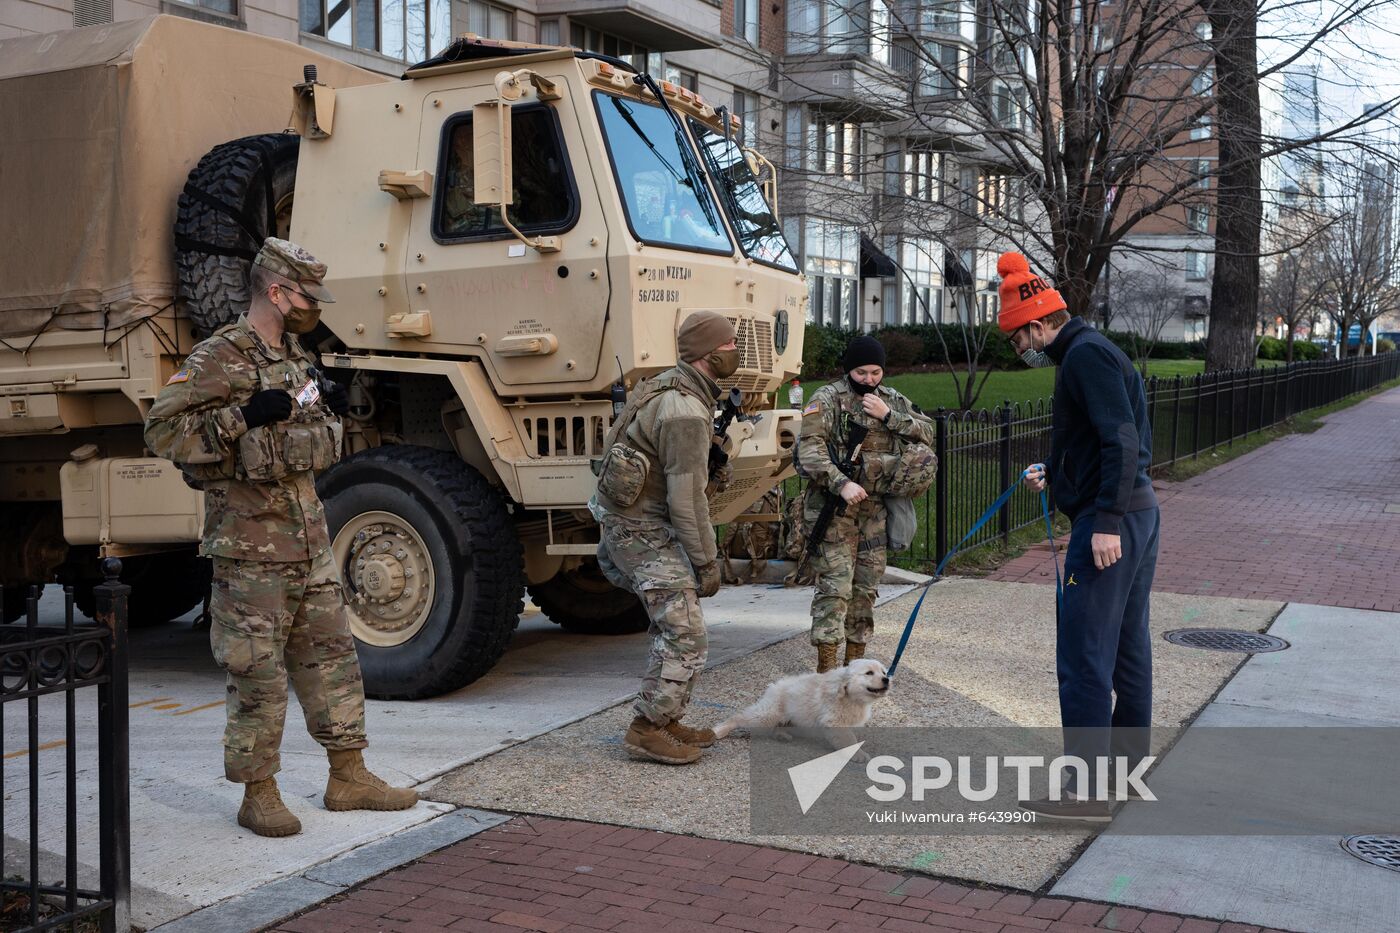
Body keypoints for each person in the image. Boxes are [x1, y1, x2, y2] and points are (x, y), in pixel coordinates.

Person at [144, 237, 417, 837]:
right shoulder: (220, 356)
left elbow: (295, 406)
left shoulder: (292, 353)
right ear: (275, 291)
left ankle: (348, 775)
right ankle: (258, 793)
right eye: (304, 295)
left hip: (308, 538)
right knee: (257, 672)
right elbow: (162, 432)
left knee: (333, 661)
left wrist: (325, 397)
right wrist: (243, 417)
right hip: (249, 549)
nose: (311, 306)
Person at [997, 252, 1161, 822]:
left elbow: (1121, 440)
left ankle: (1088, 793)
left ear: (1040, 323)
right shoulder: (1093, 350)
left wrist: (1105, 523)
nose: (1019, 347)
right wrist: (1060, 471)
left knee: (1084, 654)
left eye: (1019, 337)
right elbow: (1114, 438)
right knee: (1126, 648)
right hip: (1133, 511)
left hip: (1111, 519)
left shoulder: (1085, 356)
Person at [591, 311, 739, 765]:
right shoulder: (685, 411)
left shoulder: (666, 385)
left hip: (632, 523)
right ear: (712, 354)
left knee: (676, 625)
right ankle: (647, 728)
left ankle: (667, 718)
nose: (737, 352)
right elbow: (687, 501)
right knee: (686, 632)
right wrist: (707, 563)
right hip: (641, 530)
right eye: (732, 345)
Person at [795, 335, 935, 673]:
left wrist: (890, 416)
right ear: (848, 370)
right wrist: (841, 484)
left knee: (865, 592)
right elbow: (809, 451)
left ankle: (854, 669)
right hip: (835, 510)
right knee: (834, 590)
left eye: (875, 372)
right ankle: (828, 675)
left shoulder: (890, 400)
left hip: (874, 512)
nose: (869, 380)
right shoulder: (827, 399)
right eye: (861, 372)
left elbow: (927, 432)